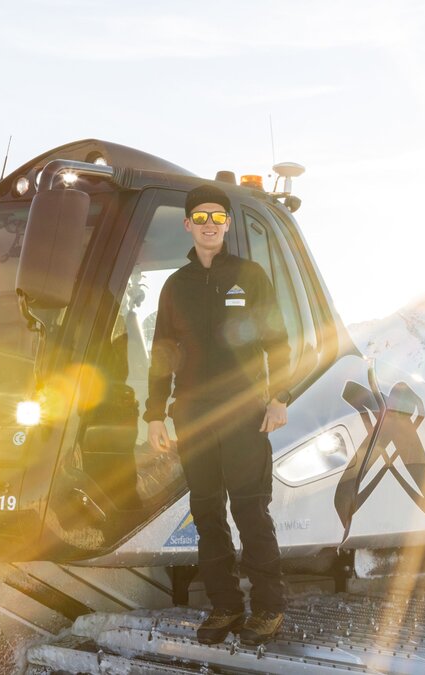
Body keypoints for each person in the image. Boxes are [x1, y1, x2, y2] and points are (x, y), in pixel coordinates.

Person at [144, 184, 292, 646]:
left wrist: (278, 397)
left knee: (250, 510)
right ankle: (225, 605)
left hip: (244, 413)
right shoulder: (175, 286)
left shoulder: (250, 276)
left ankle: (268, 607)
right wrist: (154, 414)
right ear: (188, 225)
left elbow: (278, 343)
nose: (210, 225)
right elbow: (162, 355)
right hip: (193, 416)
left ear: (227, 225)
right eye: (201, 218)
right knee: (206, 512)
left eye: (218, 218)